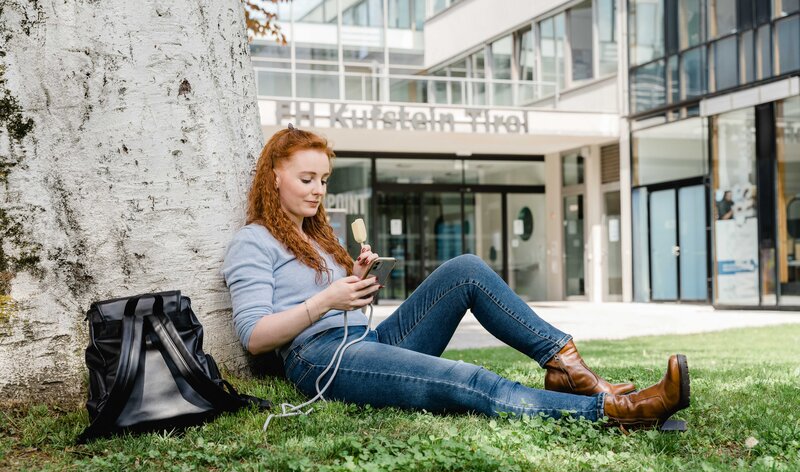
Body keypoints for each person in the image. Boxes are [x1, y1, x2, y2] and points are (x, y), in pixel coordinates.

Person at [222, 126, 690, 429]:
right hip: (320, 359)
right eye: (307, 179)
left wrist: (357, 281)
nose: (318, 190)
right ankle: (616, 412)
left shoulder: (319, 237)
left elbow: (343, 306)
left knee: (465, 268)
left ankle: (566, 365)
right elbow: (255, 337)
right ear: (274, 177)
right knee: (469, 380)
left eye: (324, 180)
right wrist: (327, 300)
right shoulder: (254, 242)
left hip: (370, 341)